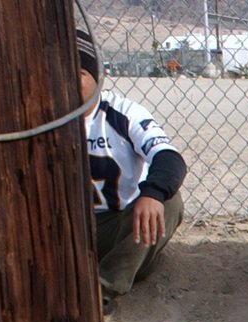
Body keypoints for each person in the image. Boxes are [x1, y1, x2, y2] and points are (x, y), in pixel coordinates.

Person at [78, 29, 187, 303]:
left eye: (78, 73)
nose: (65, 80)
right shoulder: (37, 117)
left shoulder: (122, 113)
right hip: (60, 227)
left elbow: (169, 158)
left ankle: (102, 291)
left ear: (97, 76)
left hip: (117, 229)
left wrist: (153, 193)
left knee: (169, 201)